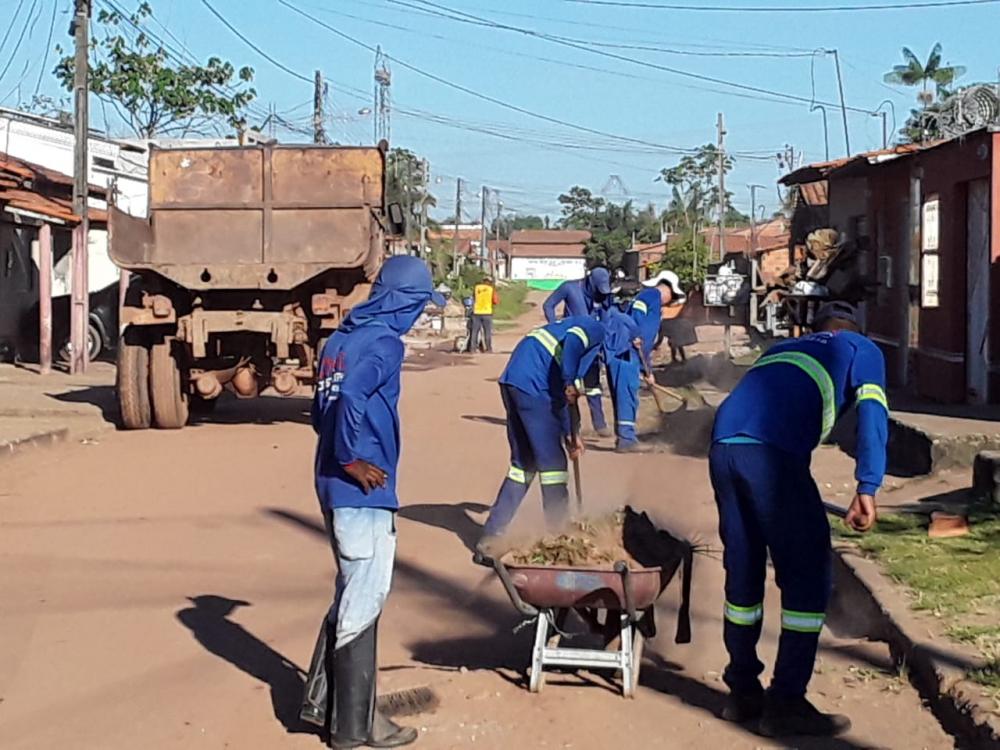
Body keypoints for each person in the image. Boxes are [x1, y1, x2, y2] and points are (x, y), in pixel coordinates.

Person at [709, 301, 887, 738]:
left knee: (745, 569)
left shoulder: (781, 349)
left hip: (724, 445)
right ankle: (786, 702)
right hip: (773, 453)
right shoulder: (861, 348)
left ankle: (743, 691)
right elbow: (872, 412)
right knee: (807, 572)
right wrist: (867, 485)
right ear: (854, 328)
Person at [302, 255, 445, 749]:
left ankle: (326, 705)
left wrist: (335, 457)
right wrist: (353, 460)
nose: (418, 317)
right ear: (402, 302)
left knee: (350, 591)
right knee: (366, 596)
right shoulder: (384, 343)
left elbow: (320, 408)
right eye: (419, 307)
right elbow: (351, 400)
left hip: (330, 482)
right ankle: (352, 729)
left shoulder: (339, 341)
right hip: (361, 487)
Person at [479, 315, 606, 545]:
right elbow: (574, 342)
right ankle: (559, 536)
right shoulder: (595, 329)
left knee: (524, 464)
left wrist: (571, 433)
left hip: (515, 380)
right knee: (554, 466)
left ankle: (492, 536)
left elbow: (565, 400)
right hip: (534, 384)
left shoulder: (579, 338)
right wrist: (568, 381)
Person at [542, 267, 613, 437]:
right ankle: (573, 426)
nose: (600, 294)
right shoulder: (569, 288)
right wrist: (555, 327)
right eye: (598, 289)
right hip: (571, 345)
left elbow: (606, 316)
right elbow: (548, 305)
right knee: (568, 385)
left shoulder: (603, 295)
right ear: (590, 281)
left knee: (593, 387)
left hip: (592, 345)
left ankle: (600, 424)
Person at [600, 303, 644, 453]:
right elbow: (639, 343)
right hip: (626, 359)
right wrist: (647, 371)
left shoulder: (606, 314)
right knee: (627, 399)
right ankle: (627, 439)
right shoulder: (627, 319)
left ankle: (621, 436)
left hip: (612, 359)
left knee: (618, 398)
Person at [647, 271, 697, 364]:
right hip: (667, 323)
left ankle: (678, 358)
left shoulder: (677, 302)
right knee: (673, 342)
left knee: (676, 343)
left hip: (671, 323)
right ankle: (677, 358)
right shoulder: (671, 302)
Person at [470, 277, 499, 353]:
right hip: (487, 313)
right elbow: (495, 301)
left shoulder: (477, 288)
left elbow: (473, 297)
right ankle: (488, 349)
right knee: (487, 332)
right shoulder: (491, 289)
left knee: (475, 331)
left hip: (476, 312)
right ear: (489, 282)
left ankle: (472, 348)